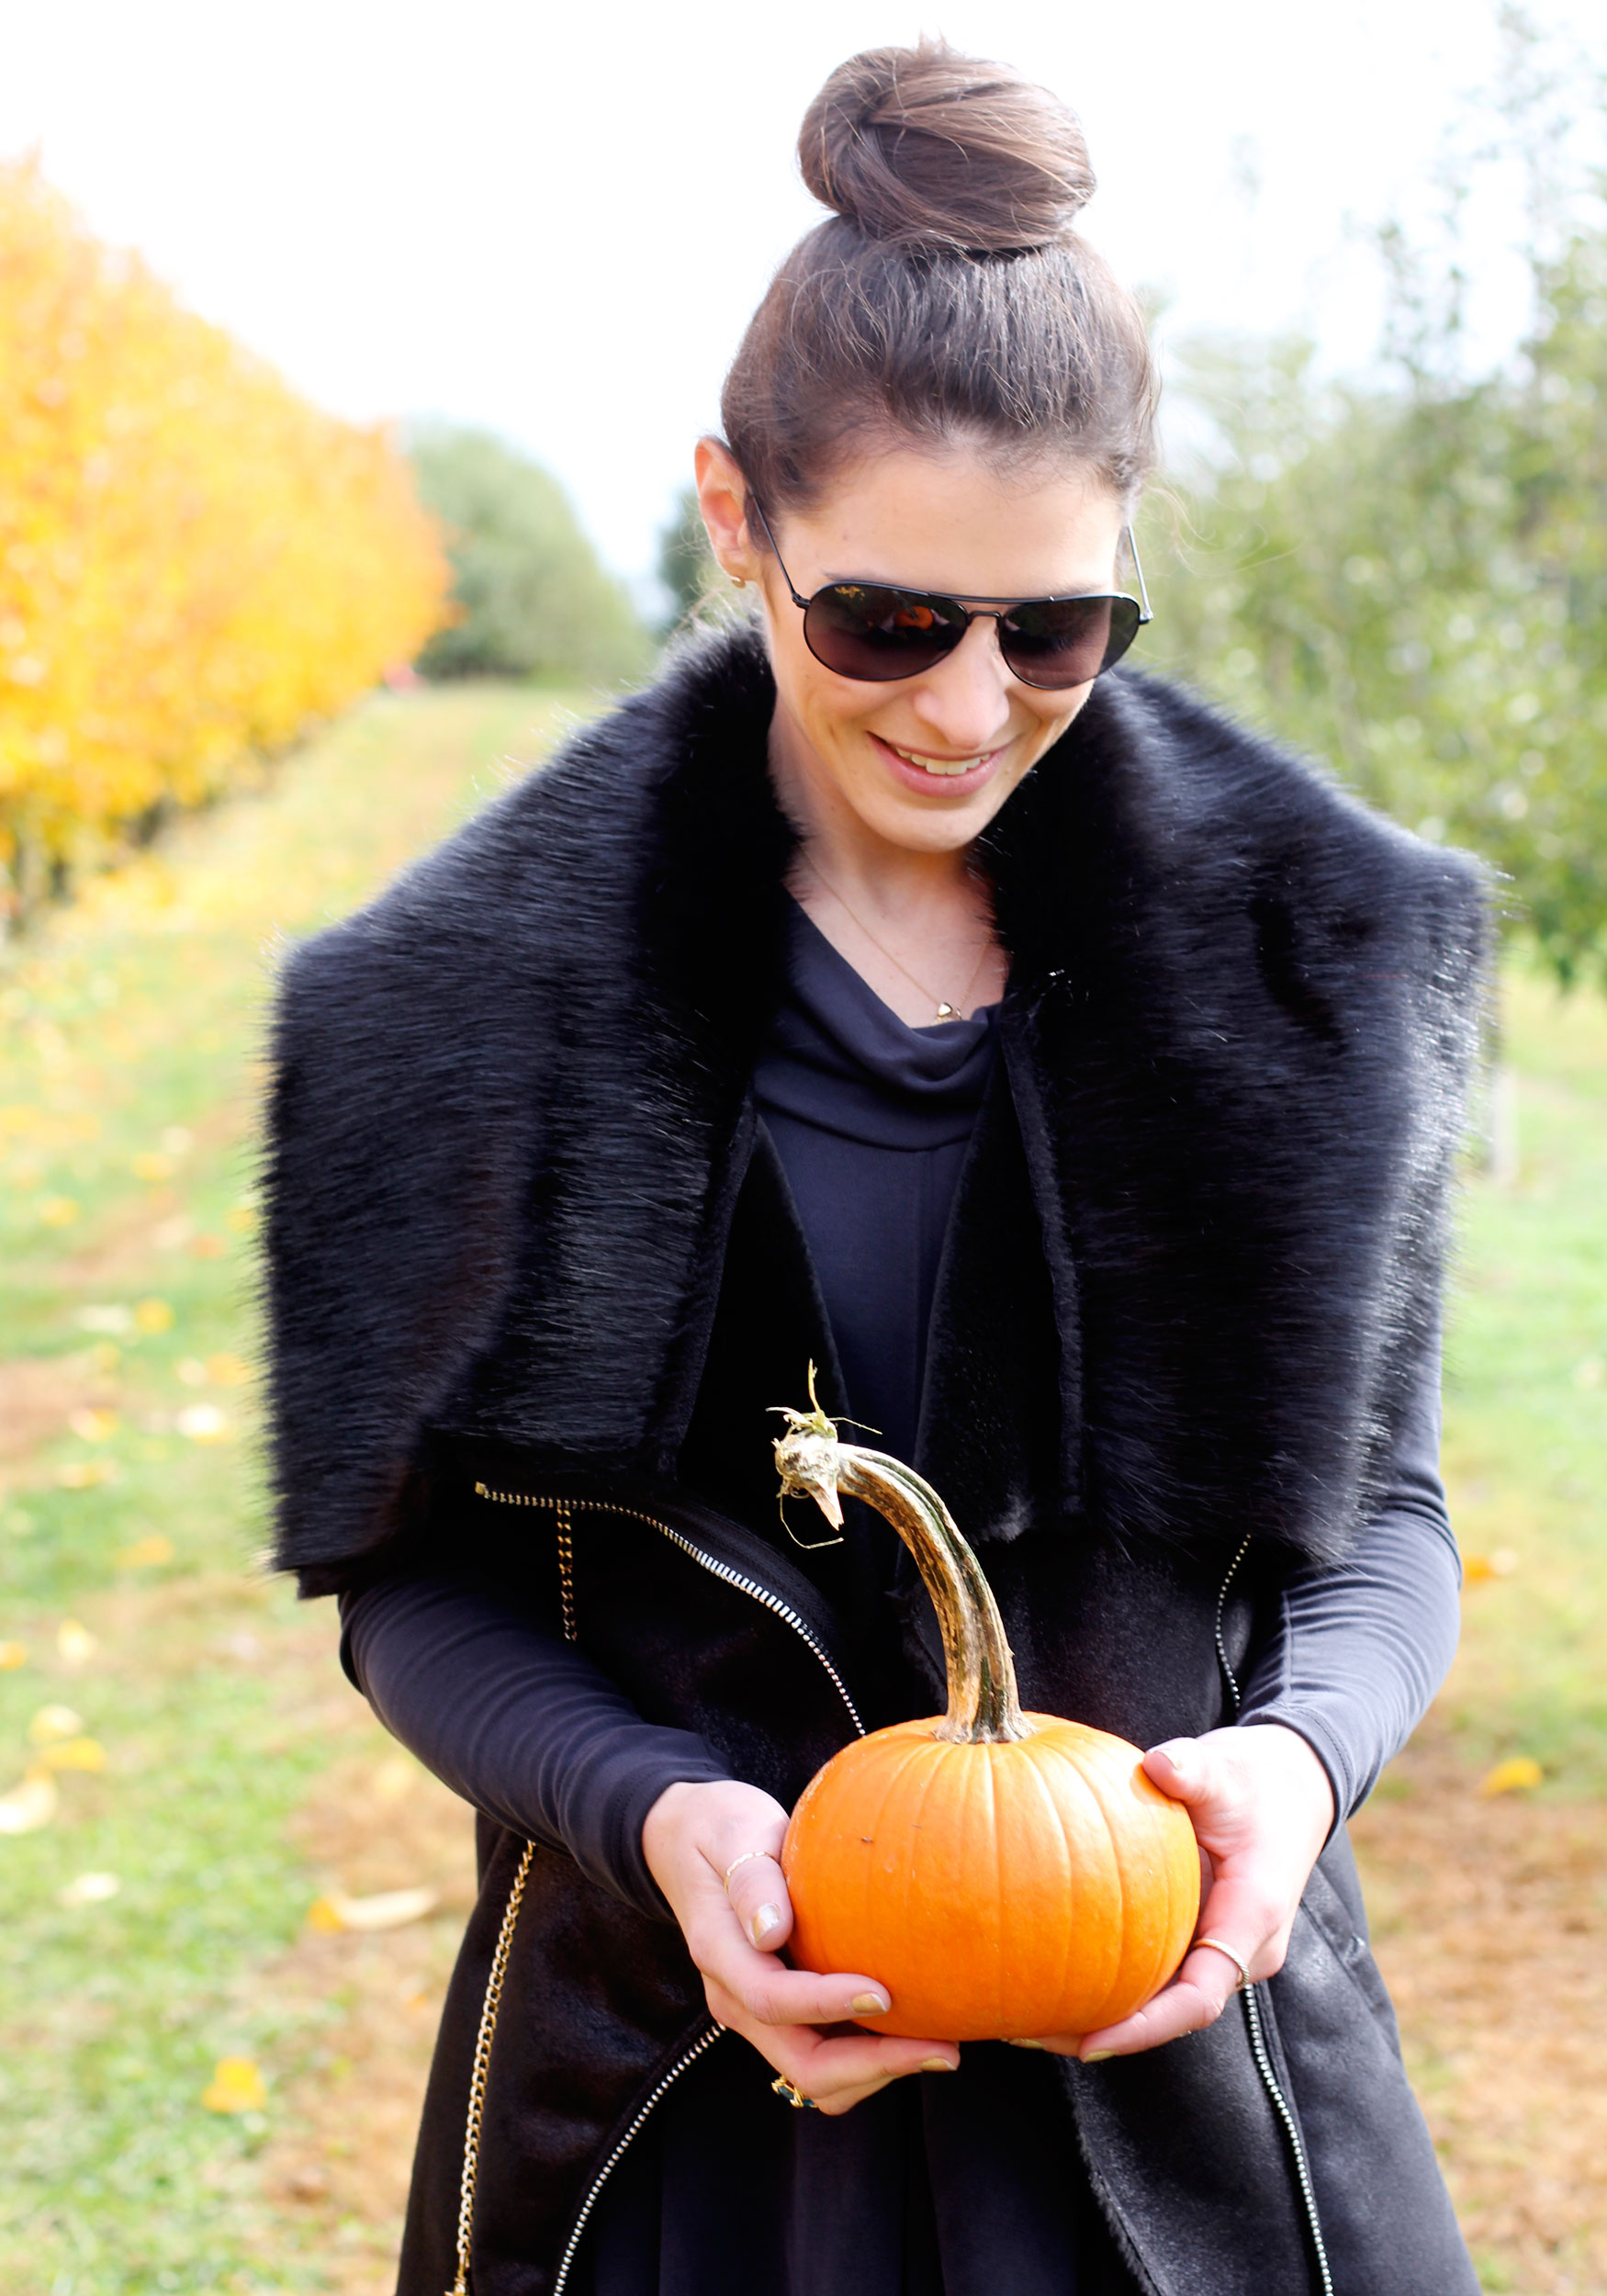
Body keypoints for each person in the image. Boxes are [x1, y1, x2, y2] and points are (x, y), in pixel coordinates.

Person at [264, 42, 1486, 2296]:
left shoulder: (1317, 959)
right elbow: (406, 1584)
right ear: (737, 518)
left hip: (1196, 2087)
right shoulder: (438, 1014)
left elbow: (1379, 1517)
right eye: (884, 620)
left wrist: (1297, 1767)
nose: (965, 702)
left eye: (1055, 632)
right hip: (681, 2093)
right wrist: (662, 1815)